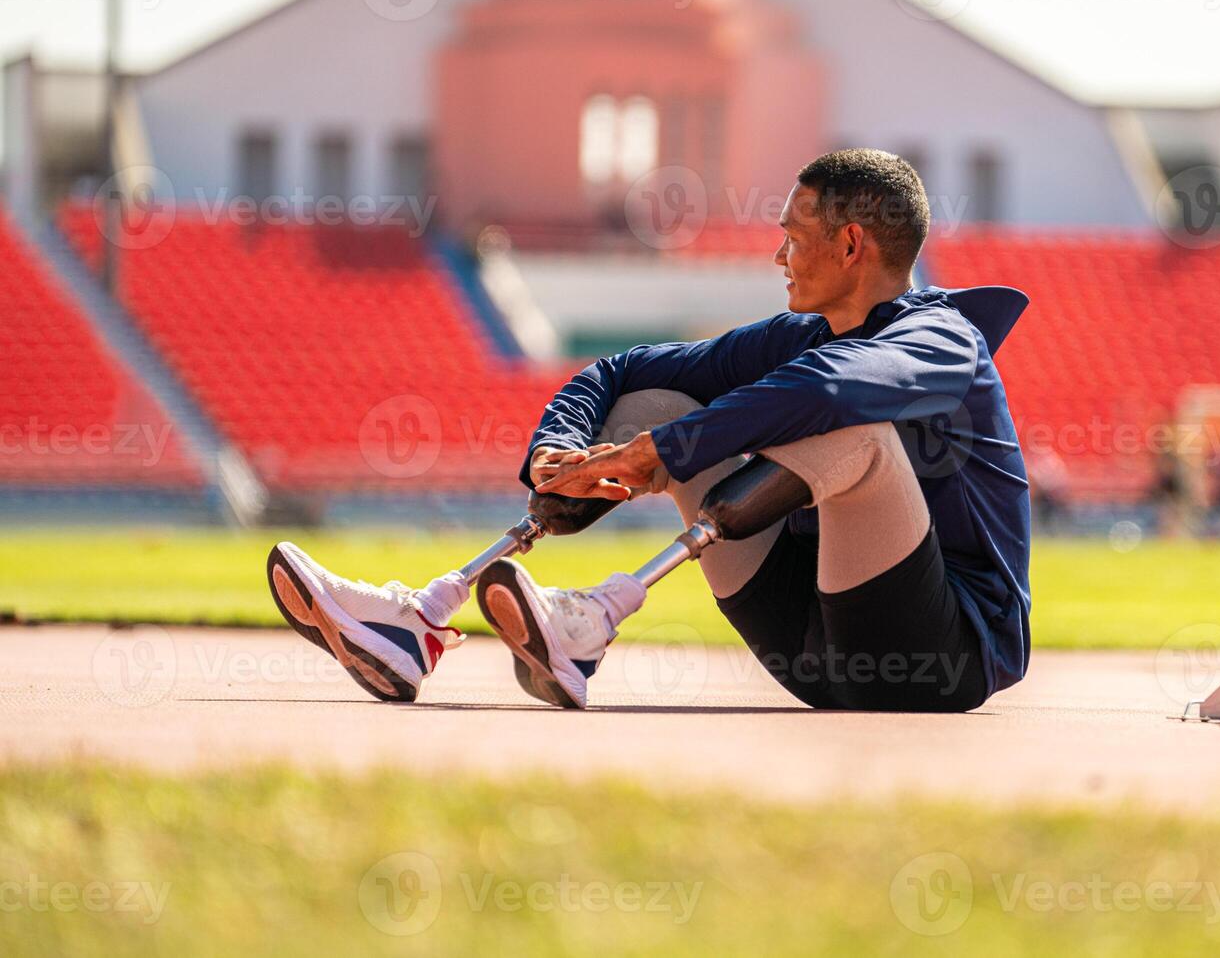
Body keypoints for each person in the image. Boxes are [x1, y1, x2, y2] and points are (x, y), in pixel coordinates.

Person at [266, 150, 1031, 713]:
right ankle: (422, 619)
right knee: (661, 400)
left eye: (793, 236)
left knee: (854, 431)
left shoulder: (943, 338)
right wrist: (553, 454)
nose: (779, 254)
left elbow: (834, 388)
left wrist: (668, 454)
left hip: (939, 655)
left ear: (852, 245)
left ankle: (595, 617)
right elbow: (621, 374)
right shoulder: (800, 335)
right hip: (810, 652)